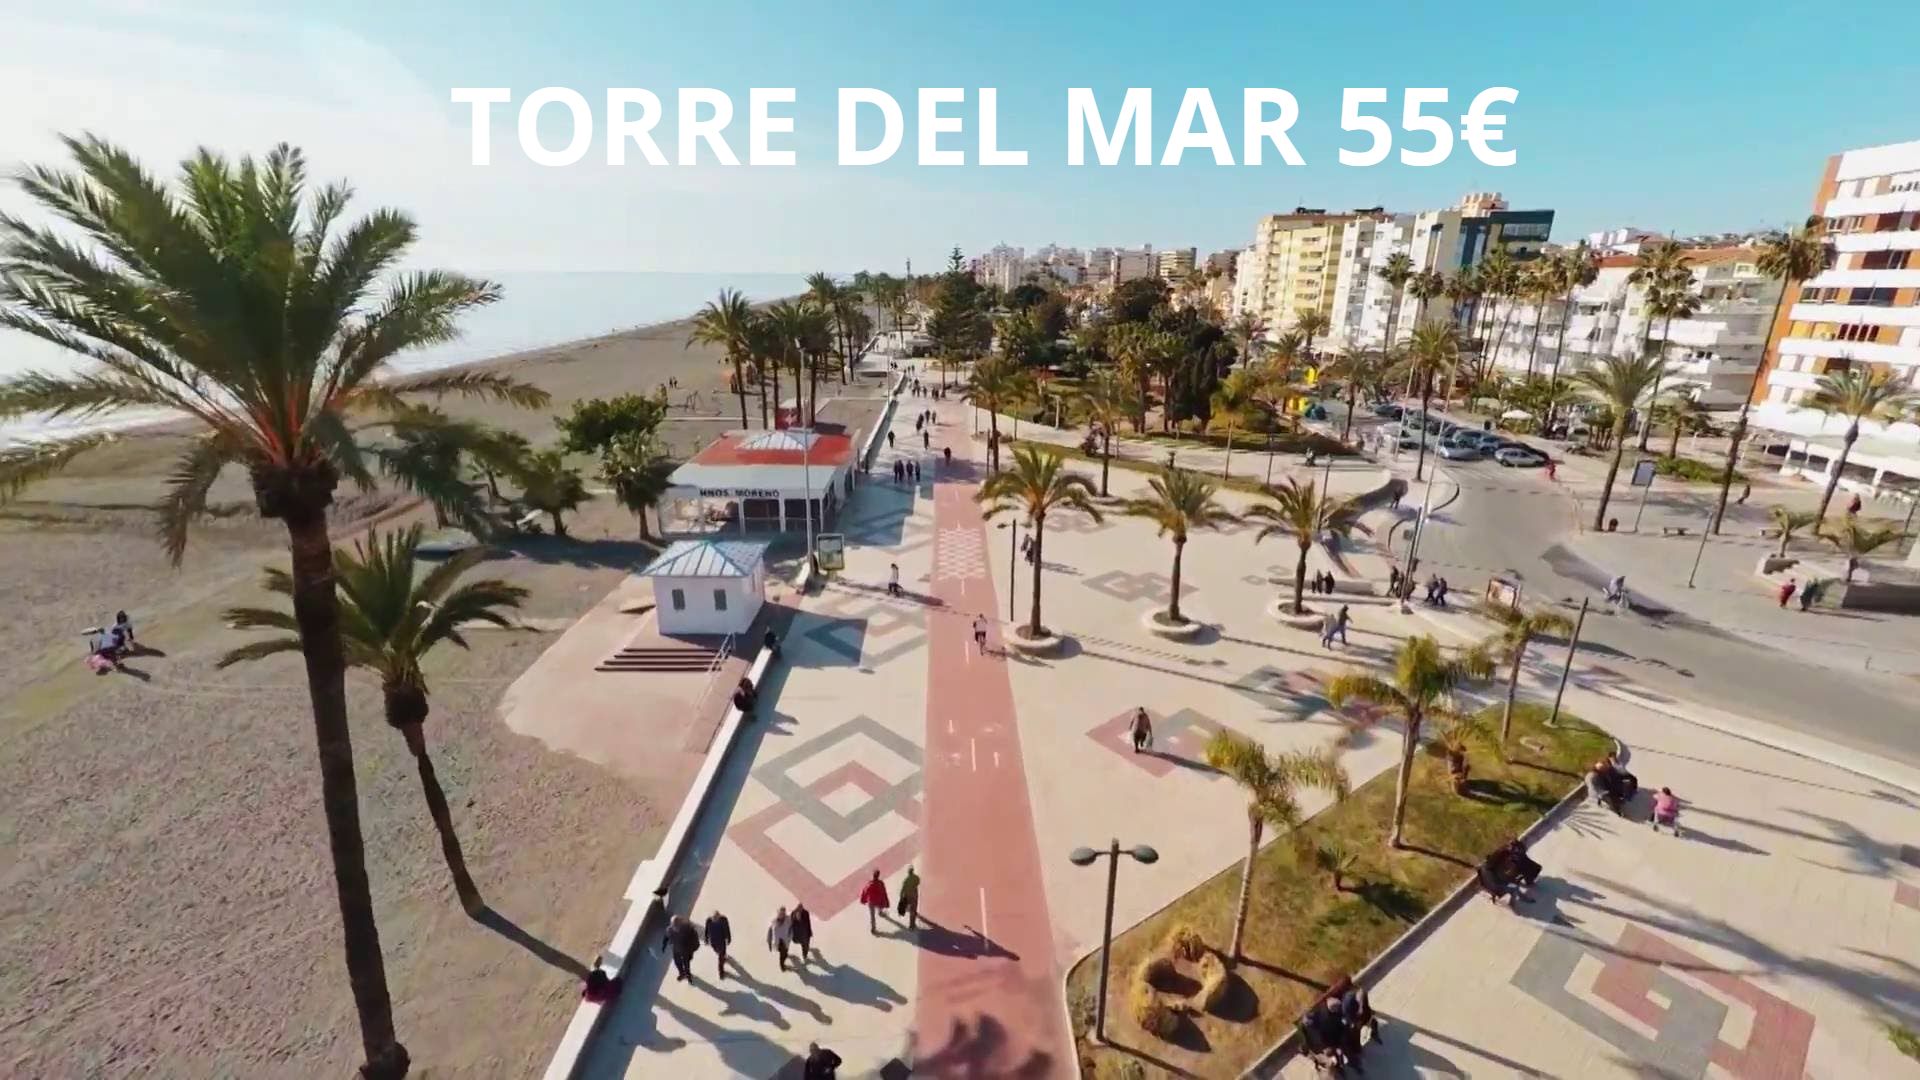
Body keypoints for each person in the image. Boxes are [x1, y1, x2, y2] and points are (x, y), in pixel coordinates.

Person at [661, 913, 700, 982]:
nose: (675, 928)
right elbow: (666, 937)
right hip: (676, 949)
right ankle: (682, 973)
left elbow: (694, 937)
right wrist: (664, 945)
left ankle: (688, 975)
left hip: (686, 950)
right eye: (674, 926)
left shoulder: (687, 928)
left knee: (686, 963)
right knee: (677, 962)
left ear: (680, 923)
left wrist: (694, 948)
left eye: (677, 925)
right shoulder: (669, 930)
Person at [858, 869, 890, 934]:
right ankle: (880, 913)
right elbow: (884, 893)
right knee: (880, 906)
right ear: (878, 876)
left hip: (871, 902)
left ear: (873, 876)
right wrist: (886, 901)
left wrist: (863, 900)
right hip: (878, 900)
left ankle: (873, 928)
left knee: (872, 915)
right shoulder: (880, 883)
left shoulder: (869, 884)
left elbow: (864, 892)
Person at [704, 910, 733, 979]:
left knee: (721, 955)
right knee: (720, 954)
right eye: (713, 919)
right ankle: (721, 970)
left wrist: (728, 938)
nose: (714, 920)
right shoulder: (709, 921)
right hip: (714, 942)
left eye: (716, 918)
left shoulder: (723, 920)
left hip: (721, 941)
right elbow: (706, 930)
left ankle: (721, 971)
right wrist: (706, 939)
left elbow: (727, 929)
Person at [767, 906, 792, 971]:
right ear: (778, 913)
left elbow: (791, 928)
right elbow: (769, 933)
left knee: (785, 952)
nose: (782, 915)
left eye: (783, 913)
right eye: (780, 913)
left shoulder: (788, 919)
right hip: (777, 942)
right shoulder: (773, 921)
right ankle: (782, 966)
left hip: (785, 941)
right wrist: (769, 943)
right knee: (782, 955)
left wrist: (790, 937)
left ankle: (785, 956)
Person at [897, 865, 922, 930]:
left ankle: (911, 924)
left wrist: (901, 897)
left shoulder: (906, 880)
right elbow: (918, 882)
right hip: (914, 894)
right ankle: (912, 923)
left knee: (910, 908)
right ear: (913, 871)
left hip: (908, 895)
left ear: (908, 872)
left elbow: (902, 889)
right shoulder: (916, 877)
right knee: (913, 909)